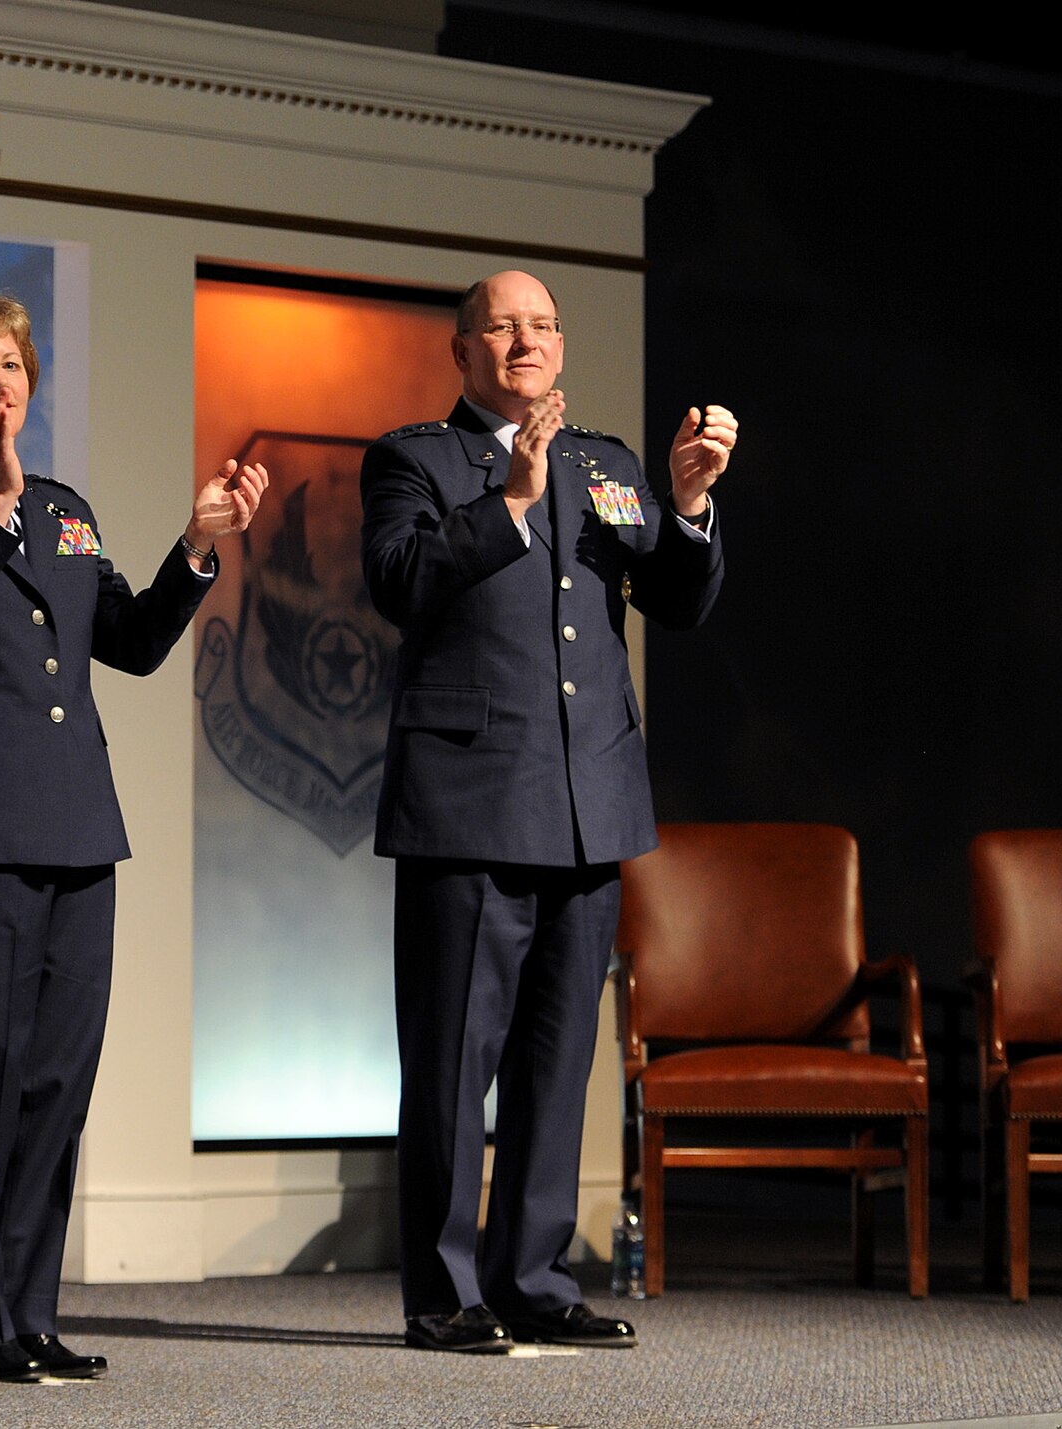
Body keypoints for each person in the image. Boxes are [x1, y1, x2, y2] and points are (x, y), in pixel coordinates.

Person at [0, 284, 266, 1383]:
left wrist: (193, 545)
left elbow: (125, 644)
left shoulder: (65, 507)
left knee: (52, 1085)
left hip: (79, 828)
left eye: (11, 367)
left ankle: (28, 1312)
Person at [360, 270, 735, 1353]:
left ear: (560, 347)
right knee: (450, 1064)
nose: (524, 341)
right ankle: (441, 1290)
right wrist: (508, 505)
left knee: (555, 1056)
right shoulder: (415, 459)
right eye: (501, 327)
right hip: (470, 803)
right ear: (462, 351)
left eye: (541, 326)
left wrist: (691, 502)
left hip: (588, 804)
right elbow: (396, 579)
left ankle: (530, 1278)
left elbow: (673, 600)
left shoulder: (606, 462)